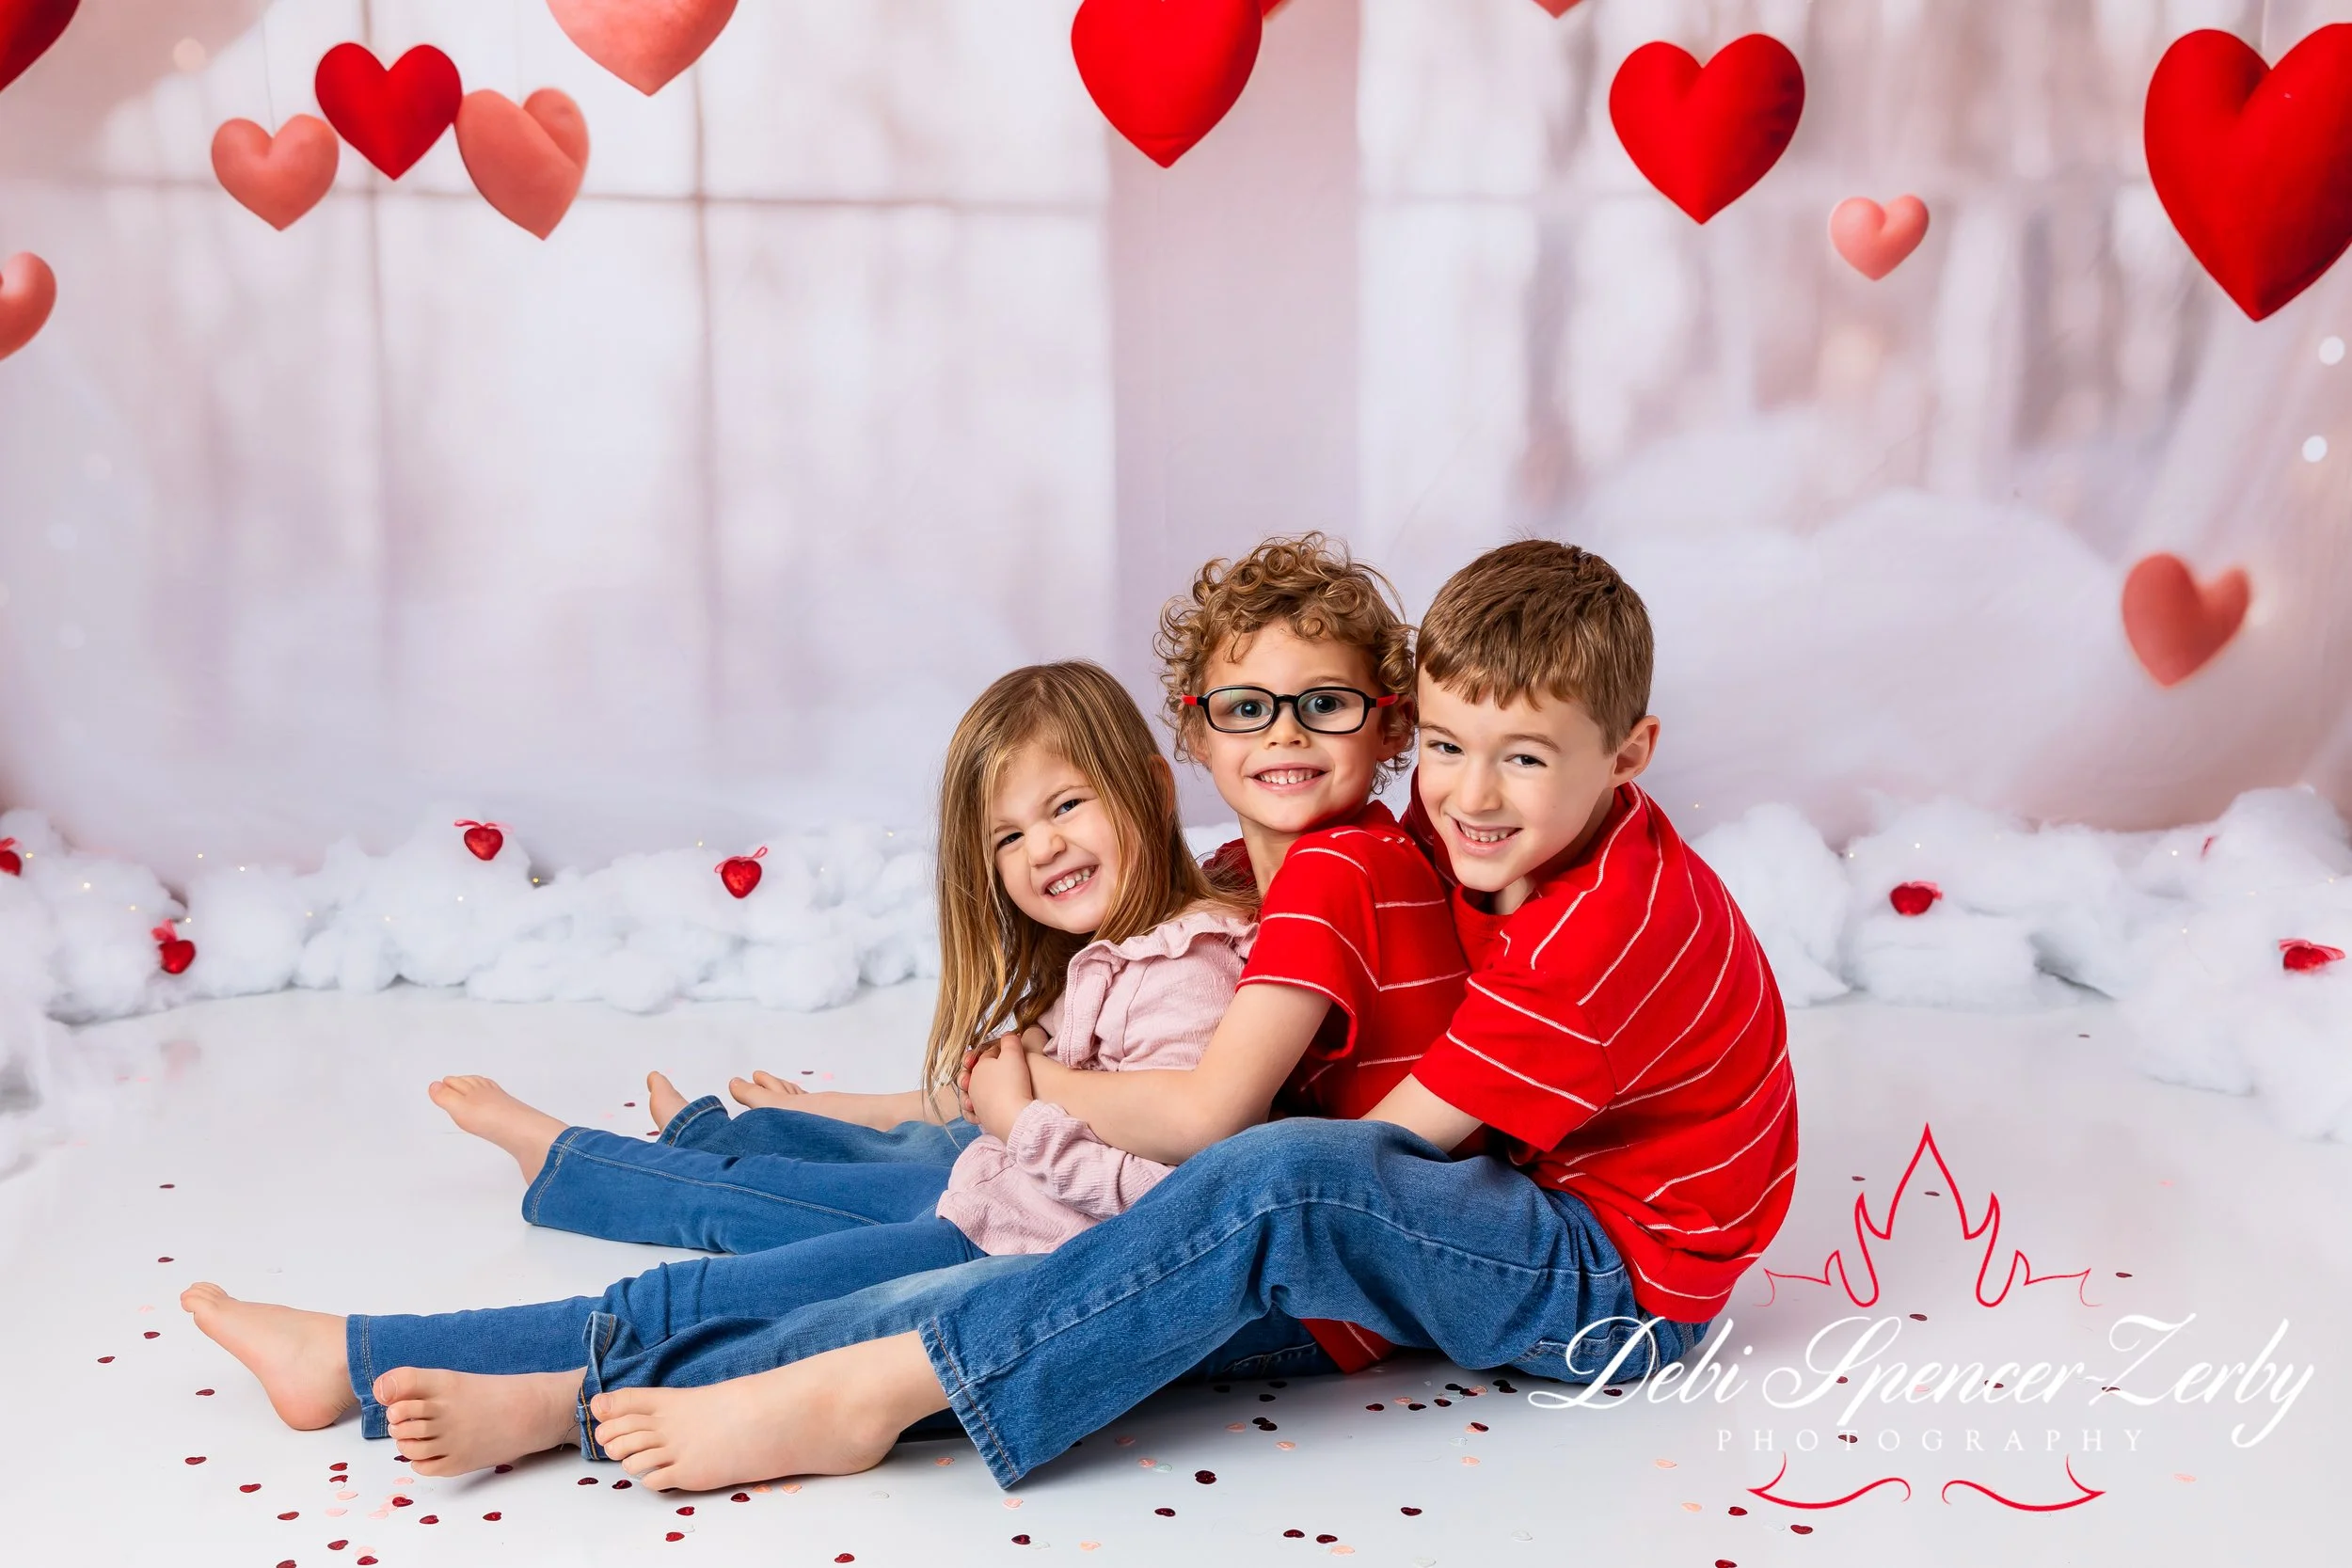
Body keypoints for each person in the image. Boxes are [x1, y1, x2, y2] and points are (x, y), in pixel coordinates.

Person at [564, 540, 1798, 1493]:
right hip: (1542, 1193)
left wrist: (1061, 1111)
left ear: (1630, 753)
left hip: (1618, 1285)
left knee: (1285, 1177)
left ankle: (878, 1387)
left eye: (1524, 757)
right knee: (1005, 1178)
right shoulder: (1452, 826)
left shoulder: (1603, 929)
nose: (1470, 793)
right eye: (1447, 745)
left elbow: (1387, 1153)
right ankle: (652, 1300)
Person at [178, 659, 1260, 1469]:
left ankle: (377, 1364)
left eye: (1065, 805)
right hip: (987, 1218)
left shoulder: (1185, 967)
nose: (1042, 850)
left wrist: (1018, 1117)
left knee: (725, 1308)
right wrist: (980, 1115)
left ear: (1151, 792)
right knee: (706, 1285)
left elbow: (1169, 1200)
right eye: (1007, 837)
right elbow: (1038, 1120)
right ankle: (417, 1340)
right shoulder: (1116, 959)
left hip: (1013, 1258)